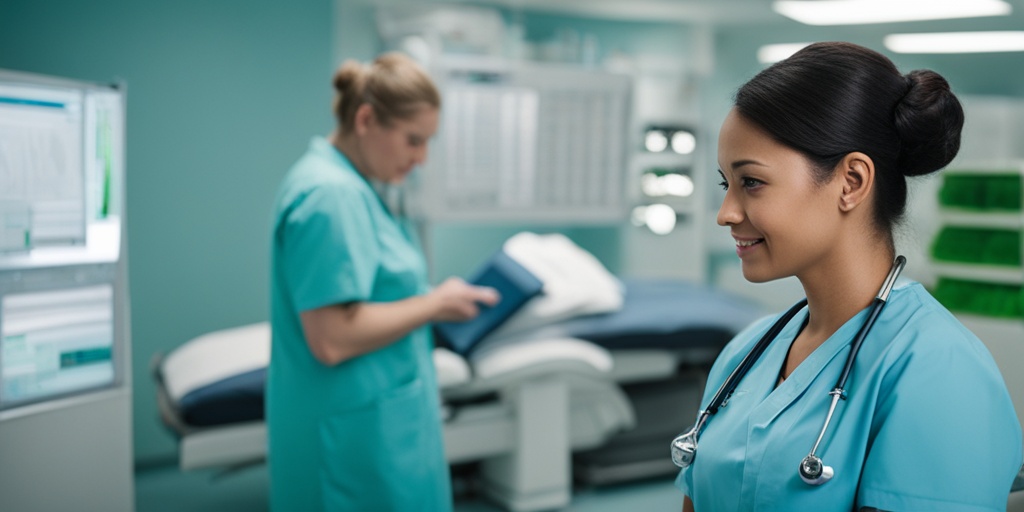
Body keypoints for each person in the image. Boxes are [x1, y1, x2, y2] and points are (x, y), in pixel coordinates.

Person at [676, 41, 1022, 511]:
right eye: (726, 184)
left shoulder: (939, 368)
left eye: (751, 182)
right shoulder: (745, 355)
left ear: (852, 181)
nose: (726, 212)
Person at [266, 52, 499, 511]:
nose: (421, 158)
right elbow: (332, 337)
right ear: (367, 119)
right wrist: (435, 304)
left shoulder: (354, 187)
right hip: (349, 436)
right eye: (414, 141)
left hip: (376, 419)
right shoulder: (330, 196)